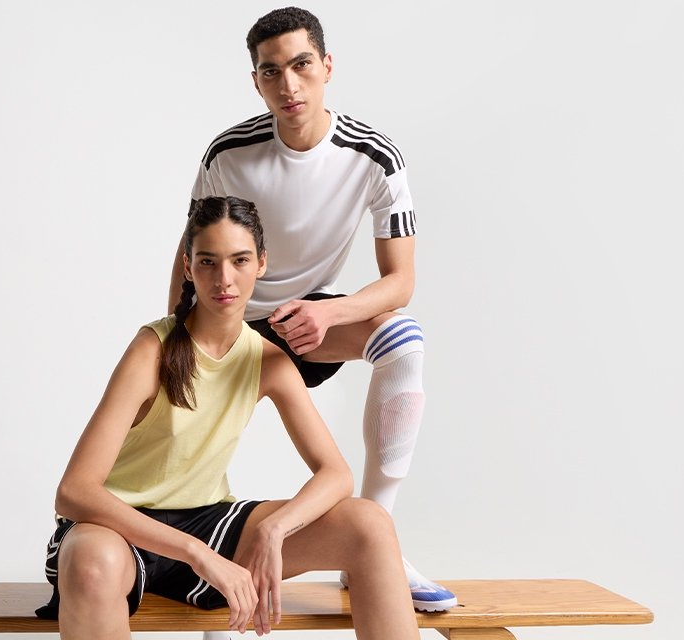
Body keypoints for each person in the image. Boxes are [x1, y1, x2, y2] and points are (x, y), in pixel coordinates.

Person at [171, 6, 455, 614]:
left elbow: (400, 281)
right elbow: (191, 253)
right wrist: (174, 338)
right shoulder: (230, 152)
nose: (289, 85)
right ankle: (196, 581)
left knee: (402, 338)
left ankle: (377, 538)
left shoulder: (375, 157)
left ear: (327, 66)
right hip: (225, 324)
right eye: (271, 72)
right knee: (178, 462)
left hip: (308, 323)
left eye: (301, 65)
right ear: (256, 81)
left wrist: (333, 313)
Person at [39, 196, 420, 640]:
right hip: (116, 528)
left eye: (239, 260)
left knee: (369, 524)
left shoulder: (268, 360)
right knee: (93, 564)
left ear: (261, 263)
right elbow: (75, 491)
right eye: (208, 262)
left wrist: (275, 529)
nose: (224, 279)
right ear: (188, 267)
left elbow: (336, 474)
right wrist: (196, 553)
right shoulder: (151, 349)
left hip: (209, 521)